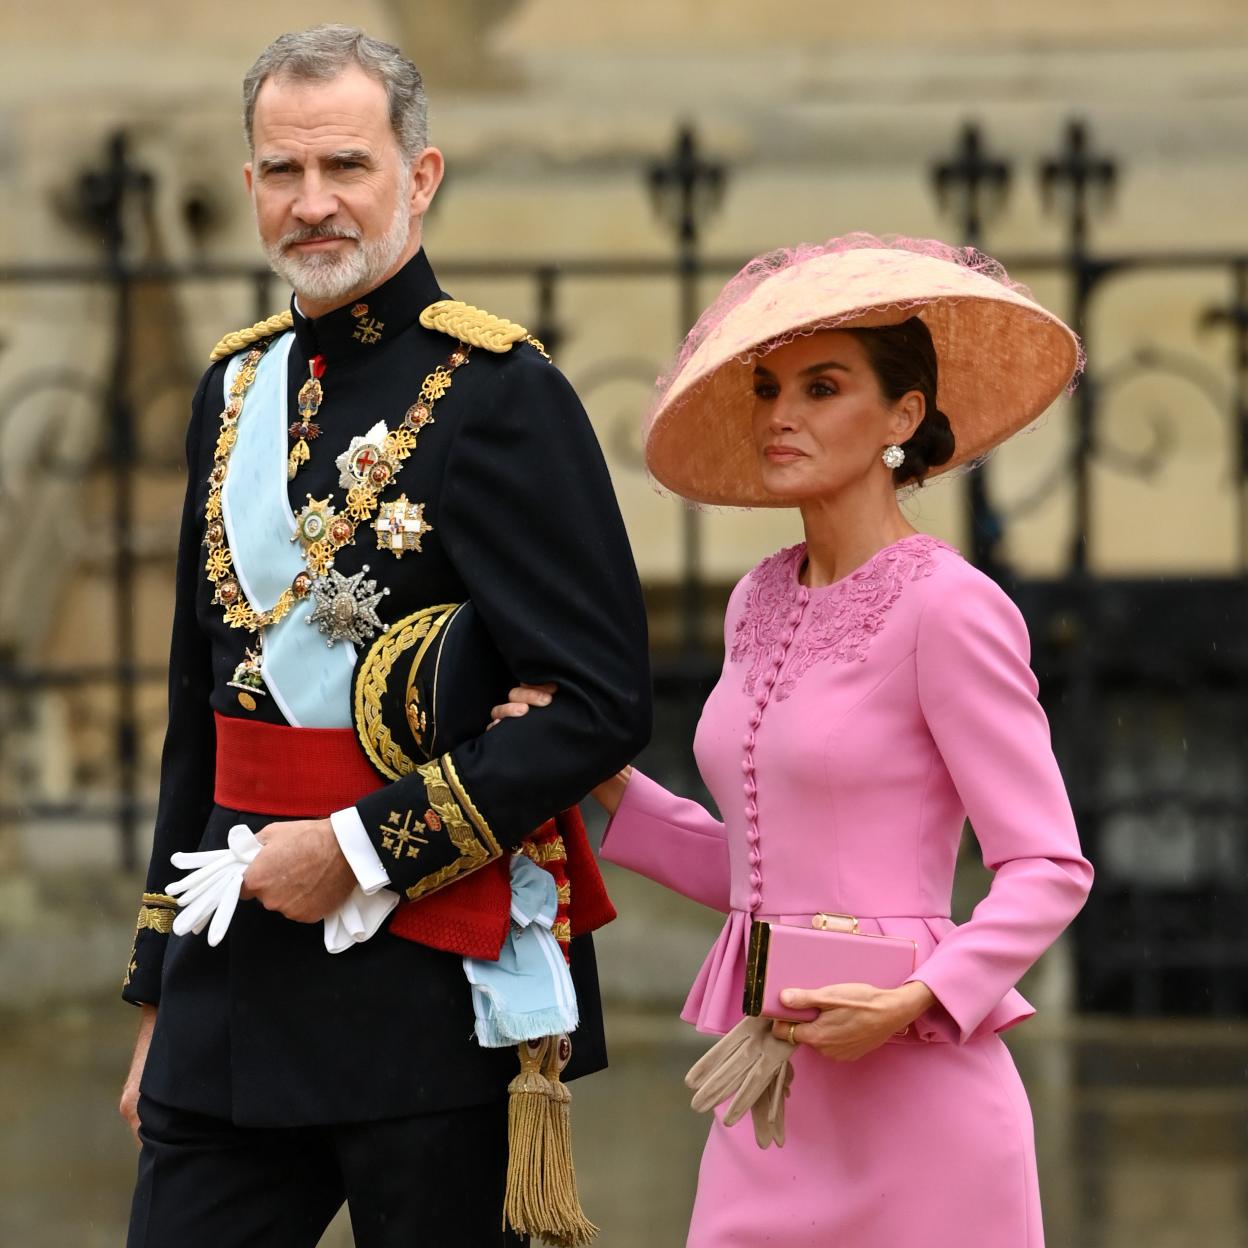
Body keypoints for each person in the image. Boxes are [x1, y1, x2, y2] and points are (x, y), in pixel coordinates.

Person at [118, 24, 650, 1248]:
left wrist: (361, 849)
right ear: (249, 183)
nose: (313, 205)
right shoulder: (233, 391)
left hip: (428, 983)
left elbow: (600, 702)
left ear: (420, 178)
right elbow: (198, 713)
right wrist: (159, 992)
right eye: (282, 173)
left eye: (346, 167)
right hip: (236, 982)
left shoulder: (502, 395)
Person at [493, 235, 1093, 1246]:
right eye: (770, 388)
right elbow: (759, 861)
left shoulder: (951, 607)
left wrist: (915, 999)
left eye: (823, 388)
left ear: (904, 416)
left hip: (923, 1106)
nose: (781, 415)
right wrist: (604, 784)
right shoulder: (757, 599)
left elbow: (1047, 865)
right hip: (769, 1099)